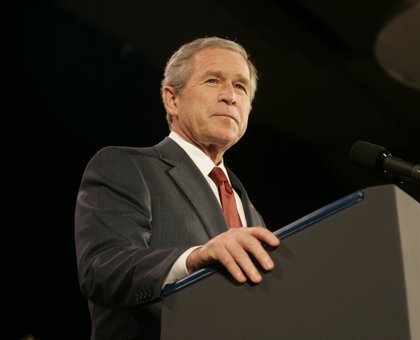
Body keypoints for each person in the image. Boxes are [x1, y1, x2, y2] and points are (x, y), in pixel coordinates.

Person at [74, 36, 280, 340]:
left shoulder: (251, 213)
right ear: (172, 99)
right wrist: (193, 258)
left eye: (241, 86)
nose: (230, 96)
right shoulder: (127, 167)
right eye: (213, 81)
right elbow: (102, 269)